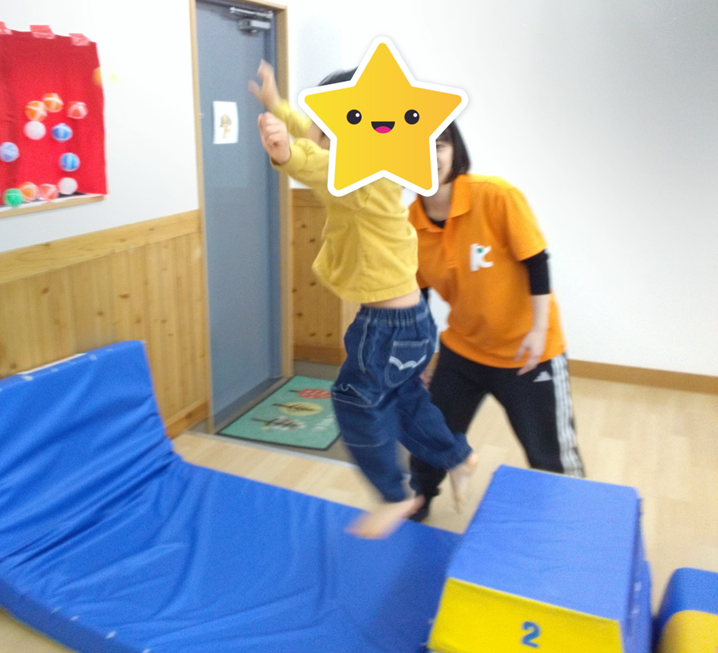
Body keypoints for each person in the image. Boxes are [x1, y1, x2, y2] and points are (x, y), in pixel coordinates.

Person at [249, 61, 478, 539]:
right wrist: (278, 106)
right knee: (406, 399)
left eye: (323, 131)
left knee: (353, 400)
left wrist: (286, 153)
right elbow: (315, 141)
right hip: (408, 323)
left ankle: (396, 497)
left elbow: (316, 160)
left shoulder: (360, 179)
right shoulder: (376, 170)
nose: (313, 135)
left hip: (387, 329)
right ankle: (456, 456)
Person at [407, 121, 585, 521]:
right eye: (416, 147)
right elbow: (418, 297)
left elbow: (536, 261)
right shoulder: (409, 224)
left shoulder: (496, 196)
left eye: (439, 144)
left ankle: (572, 520)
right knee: (431, 432)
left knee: (549, 452)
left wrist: (538, 330)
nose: (430, 156)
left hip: (528, 351)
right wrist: (416, 359)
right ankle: (420, 498)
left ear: (454, 150)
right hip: (464, 349)